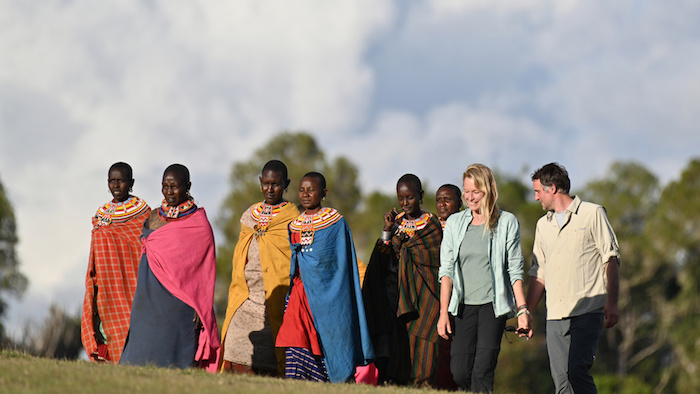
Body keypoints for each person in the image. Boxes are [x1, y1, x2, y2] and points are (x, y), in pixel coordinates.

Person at [525, 162, 620, 393]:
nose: (536, 198)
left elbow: (611, 259)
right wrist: (526, 311)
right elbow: (539, 273)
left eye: (538, 191)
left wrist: (613, 302)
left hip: (587, 311)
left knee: (576, 371)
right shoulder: (541, 226)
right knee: (561, 384)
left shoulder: (593, 213)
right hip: (555, 316)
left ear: (552, 188)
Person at [437, 163, 529, 393]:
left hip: (492, 307)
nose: (469, 197)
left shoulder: (507, 222)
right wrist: (443, 313)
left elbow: (515, 271)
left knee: (483, 369)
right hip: (462, 307)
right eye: (466, 191)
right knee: (459, 370)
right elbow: (446, 271)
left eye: (475, 192)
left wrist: (522, 311)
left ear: (488, 191)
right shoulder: (455, 224)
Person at [275, 172, 374, 383]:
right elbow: (295, 262)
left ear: (324, 193)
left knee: (333, 343)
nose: (306, 194)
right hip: (301, 295)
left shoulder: (335, 222)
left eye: (311, 189)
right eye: (302, 190)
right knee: (296, 342)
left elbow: (340, 262)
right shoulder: (294, 225)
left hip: (331, 297)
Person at [120, 164, 220, 371]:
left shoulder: (198, 224)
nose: (169, 191)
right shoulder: (154, 216)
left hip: (181, 301)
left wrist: (199, 306)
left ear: (188, 186)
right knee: (140, 348)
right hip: (149, 293)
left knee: (176, 357)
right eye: (165, 186)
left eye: (174, 186)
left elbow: (205, 271)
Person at [363, 174, 446, 387]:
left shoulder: (432, 224)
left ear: (420, 196)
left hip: (426, 296)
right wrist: (387, 231)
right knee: (400, 345)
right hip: (398, 299)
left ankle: (423, 385)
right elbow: (383, 257)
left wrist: (408, 248)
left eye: (410, 197)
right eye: (401, 198)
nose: (405, 203)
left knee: (425, 345)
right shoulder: (396, 222)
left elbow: (436, 258)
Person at [220, 160, 299, 375]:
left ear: (286, 184)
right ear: (260, 182)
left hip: (276, 300)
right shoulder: (249, 216)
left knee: (275, 354)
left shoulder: (293, 218)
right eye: (266, 183)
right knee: (233, 343)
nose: (270, 189)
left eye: (276, 184)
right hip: (243, 298)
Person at [81, 162, 150, 363]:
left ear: (131, 183)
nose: (116, 185)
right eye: (112, 181)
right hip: (106, 285)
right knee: (105, 326)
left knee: (132, 323)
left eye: (121, 181)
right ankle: (108, 362)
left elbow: (146, 247)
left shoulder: (143, 213)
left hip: (132, 282)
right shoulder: (102, 214)